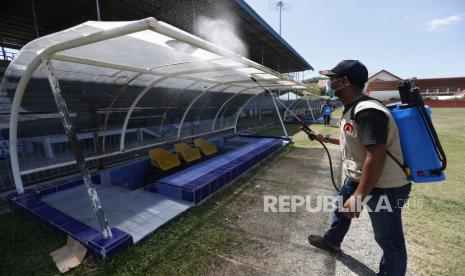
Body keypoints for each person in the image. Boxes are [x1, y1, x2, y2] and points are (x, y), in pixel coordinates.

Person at [306, 60, 412, 276]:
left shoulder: (367, 111)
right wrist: (322, 137)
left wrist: (360, 195)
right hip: (357, 177)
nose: (329, 83)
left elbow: (376, 154)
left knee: (388, 239)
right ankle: (332, 241)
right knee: (341, 210)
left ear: (344, 82)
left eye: (332, 79)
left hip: (384, 186)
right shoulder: (353, 109)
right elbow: (355, 141)